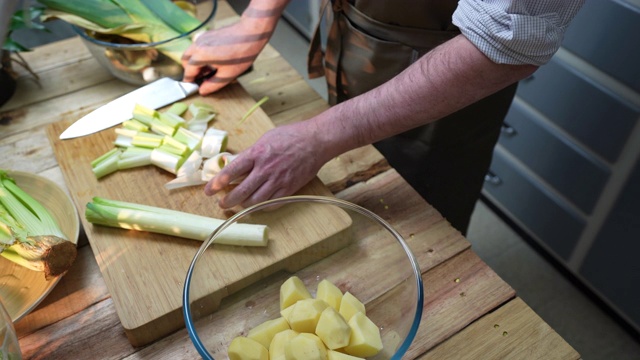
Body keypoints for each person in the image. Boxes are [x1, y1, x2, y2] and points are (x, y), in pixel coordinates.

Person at [182, 0, 584, 234]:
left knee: (415, 224)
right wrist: (257, 17)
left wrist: (319, 136)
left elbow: (506, 43)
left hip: (446, 91)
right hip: (358, 37)